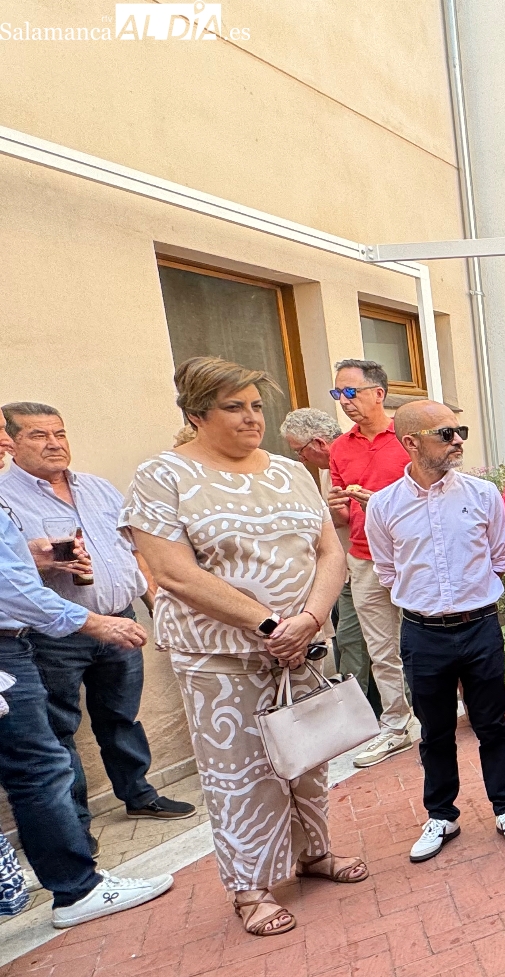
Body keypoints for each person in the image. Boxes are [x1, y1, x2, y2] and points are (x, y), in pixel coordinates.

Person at [125, 357, 366, 937]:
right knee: (239, 770)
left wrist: (309, 618)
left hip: (304, 643)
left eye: (256, 405)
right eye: (234, 407)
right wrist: (266, 625)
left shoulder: (289, 471)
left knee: (308, 757)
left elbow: (329, 552)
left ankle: (313, 852)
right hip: (222, 657)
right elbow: (173, 572)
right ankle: (250, 886)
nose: (251, 417)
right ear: (195, 414)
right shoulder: (164, 475)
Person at [0, 403, 196, 829]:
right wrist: (43, 562)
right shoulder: (4, 499)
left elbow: (134, 551)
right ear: (11, 443)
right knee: (59, 729)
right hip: (54, 635)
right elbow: (7, 577)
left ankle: (138, 794)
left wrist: (156, 606)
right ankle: (75, 824)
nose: (54, 444)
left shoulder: (98, 488)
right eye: (38, 435)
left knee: (121, 716)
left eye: (60, 433)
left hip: (120, 621)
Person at [364, 401, 505, 863]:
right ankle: (441, 815)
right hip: (422, 634)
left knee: (492, 725)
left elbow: (499, 557)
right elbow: (386, 570)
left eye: (460, 430)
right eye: (446, 433)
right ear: (411, 442)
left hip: (479, 626)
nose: (458, 440)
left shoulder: (482, 495)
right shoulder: (383, 505)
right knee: (434, 731)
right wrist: (428, 603)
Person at [0, 489, 173, 929]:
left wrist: (30, 555)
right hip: (23, 644)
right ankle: (77, 887)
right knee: (41, 766)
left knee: (54, 756)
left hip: (21, 641)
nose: (4, 445)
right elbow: (9, 588)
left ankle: (70, 873)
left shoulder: (95, 487)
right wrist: (95, 622)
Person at [327, 359, 414, 767]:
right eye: (338, 394)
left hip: (412, 558)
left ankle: (438, 717)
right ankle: (396, 726)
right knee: (381, 649)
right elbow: (343, 517)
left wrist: (379, 503)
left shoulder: (409, 437)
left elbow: (432, 495)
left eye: (351, 393)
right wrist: (336, 507)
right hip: (363, 558)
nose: (344, 402)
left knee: (420, 644)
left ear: (378, 394)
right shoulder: (340, 448)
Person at [281, 407, 380, 717]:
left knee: (384, 646)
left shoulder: (354, 458)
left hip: (373, 566)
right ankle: (354, 716)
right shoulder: (325, 471)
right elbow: (341, 521)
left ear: (319, 443)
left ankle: (396, 714)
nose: (301, 459)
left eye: (300, 451)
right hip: (345, 572)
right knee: (350, 642)